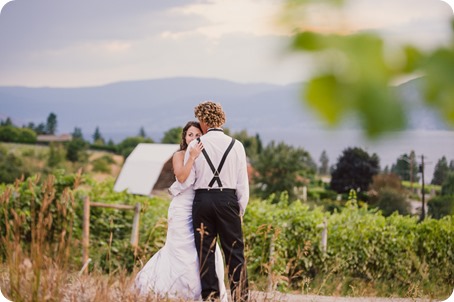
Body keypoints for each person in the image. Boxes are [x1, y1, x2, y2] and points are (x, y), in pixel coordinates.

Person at [134, 121, 228, 301]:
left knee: (203, 248)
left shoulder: (208, 156)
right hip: (182, 207)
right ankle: (174, 290)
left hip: (201, 206)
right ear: (185, 137)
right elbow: (182, 178)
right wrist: (192, 156)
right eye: (190, 135)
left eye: (198, 135)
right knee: (179, 248)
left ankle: (202, 290)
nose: (193, 138)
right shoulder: (180, 155)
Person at [184, 101, 249, 301]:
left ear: (203, 121)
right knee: (235, 251)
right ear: (221, 119)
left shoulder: (195, 145)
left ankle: (210, 298)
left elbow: (189, 179)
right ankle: (240, 297)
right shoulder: (236, 145)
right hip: (228, 200)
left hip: (202, 200)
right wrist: (240, 209)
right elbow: (242, 183)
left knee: (206, 252)